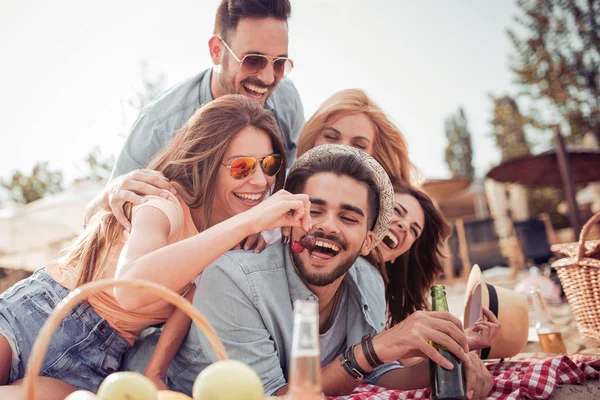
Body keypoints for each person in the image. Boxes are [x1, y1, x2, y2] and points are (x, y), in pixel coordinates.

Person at [0, 95, 312, 400]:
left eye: (269, 164)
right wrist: (249, 223)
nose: (260, 181)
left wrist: (154, 373)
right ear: (208, 163)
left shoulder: (225, 239)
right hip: (41, 310)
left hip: (99, 359)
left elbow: (185, 304)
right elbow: (131, 289)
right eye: (242, 167)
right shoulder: (163, 203)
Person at [123, 145, 493, 399]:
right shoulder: (233, 279)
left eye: (348, 217)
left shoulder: (368, 282)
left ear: (368, 241)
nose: (328, 226)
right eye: (313, 210)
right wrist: (376, 348)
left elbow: (376, 375)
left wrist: (443, 366)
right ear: (288, 219)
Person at [85, 0, 304, 231]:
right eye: (254, 61)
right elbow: (94, 220)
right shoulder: (160, 125)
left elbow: (291, 179)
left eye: (279, 64)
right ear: (216, 51)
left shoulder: (286, 98)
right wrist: (113, 191)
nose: (269, 78)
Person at [373, 181, 500, 363]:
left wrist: (460, 342)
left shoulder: (374, 286)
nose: (404, 226)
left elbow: (389, 361)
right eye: (397, 210)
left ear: (396, 256)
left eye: (414, 231)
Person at [296, 88, 416, 185]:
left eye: (359, 145)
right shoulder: (280, 192)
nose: (344, 149)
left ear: (374, 158)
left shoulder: (392, 208)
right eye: (331, 137)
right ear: (311, 139)